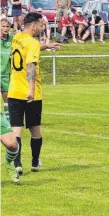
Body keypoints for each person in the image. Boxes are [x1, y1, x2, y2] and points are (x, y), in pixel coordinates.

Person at [9, 12, 61, 175]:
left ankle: (17, 163)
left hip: (14, 90)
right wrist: (31, 89)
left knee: (16, 130)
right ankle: (34, 162)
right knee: (35, 129)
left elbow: (27, 52)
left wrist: (46, 46)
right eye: (40, 25)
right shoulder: (32, 43)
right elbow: (31, 65)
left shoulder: (17, 38)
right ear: (33, 26)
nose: (41, 27)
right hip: (31, 93)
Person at [1, 17, 12, 121]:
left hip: (5, 74)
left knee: (7, 99)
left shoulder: (12, 39)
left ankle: (9, 122)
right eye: (3, 26)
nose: (5, 28)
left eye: (7, 26)